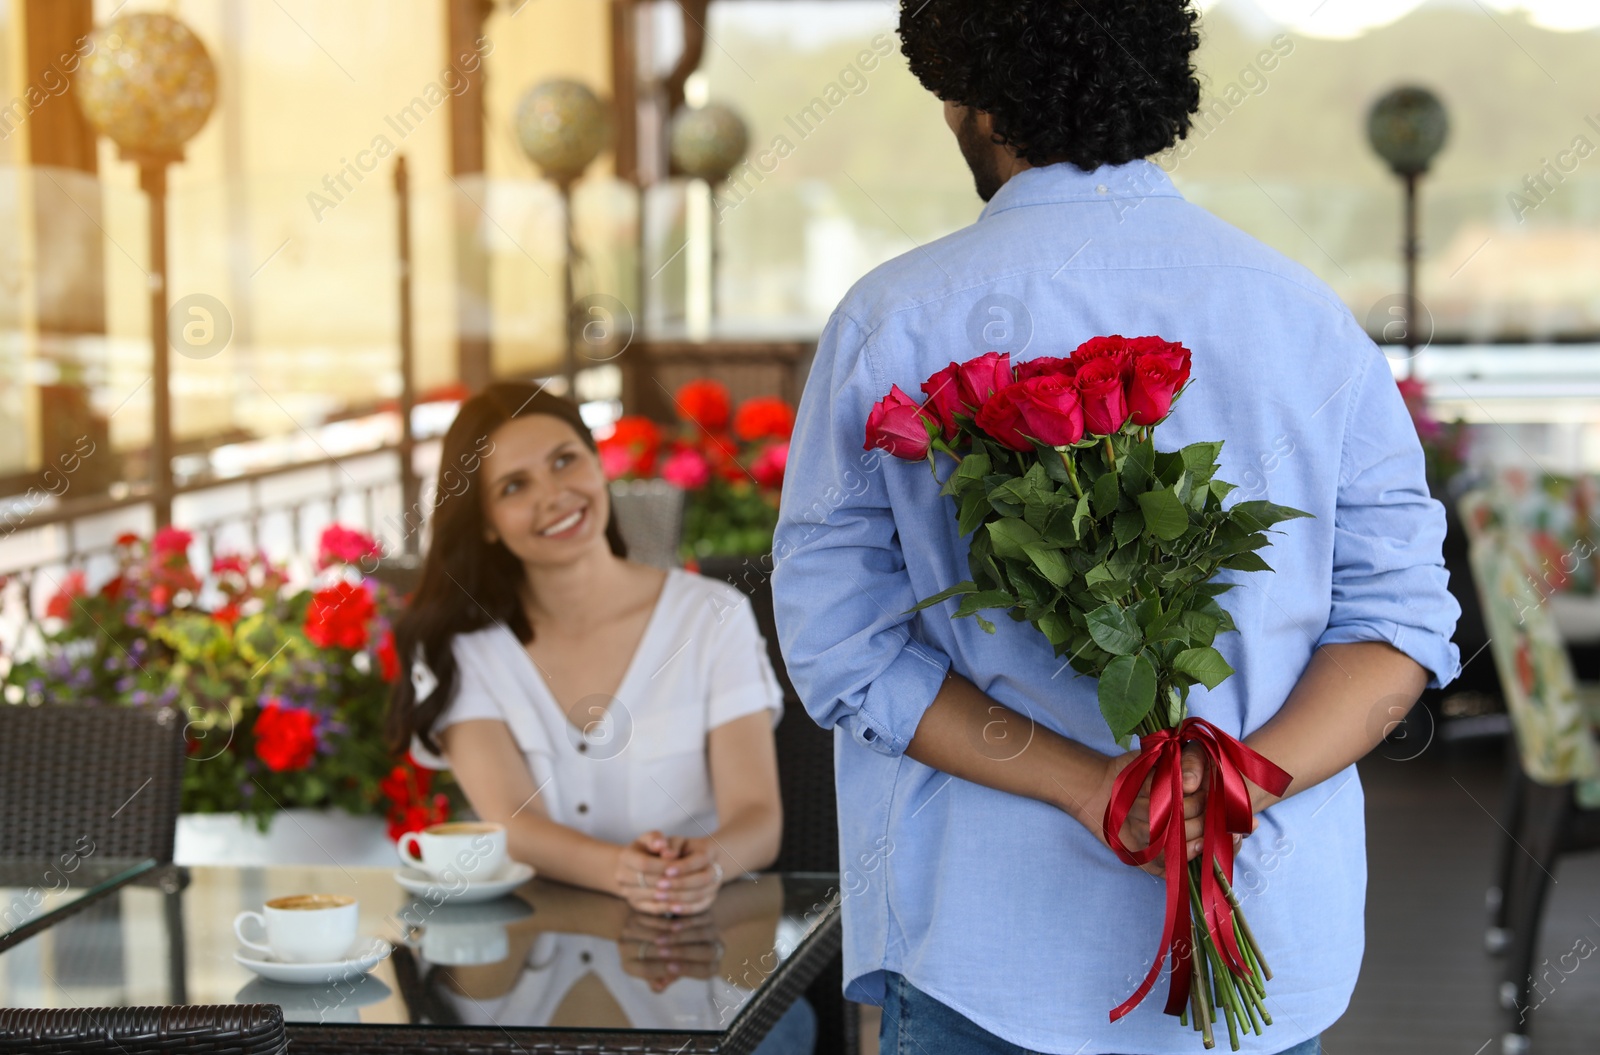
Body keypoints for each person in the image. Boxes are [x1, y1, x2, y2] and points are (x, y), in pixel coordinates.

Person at [770, 4, 1460, 1055]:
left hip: (983, 947)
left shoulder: (892, 317)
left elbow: (842, 645)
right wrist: (1235, 782)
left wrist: (1093, 785)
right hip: (1266, 948)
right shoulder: (1303, 311)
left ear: (972, 101)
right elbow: (1400, 623)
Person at [386, 383, 812, 1051]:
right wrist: (624, 870)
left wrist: (702, 865)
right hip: (522, 972)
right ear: (487, 520)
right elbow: (511, 821)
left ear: (596, 461)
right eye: (514, 486)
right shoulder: (460, 647)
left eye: (565, 460)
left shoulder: (712, 616)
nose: (554, 495)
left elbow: (758, 817)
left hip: (704, 966)